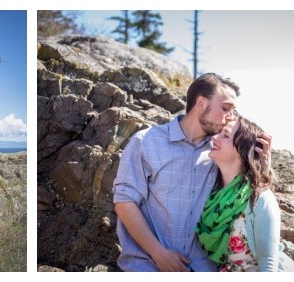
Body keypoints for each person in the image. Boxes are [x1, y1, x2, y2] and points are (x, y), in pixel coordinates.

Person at [112, 73, 270, 272]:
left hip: (203, 268)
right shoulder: (146, 142)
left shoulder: (218, 152)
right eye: (226, 108)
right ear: (201, 103)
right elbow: (124, 202)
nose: (230, 116)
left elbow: (246, 191)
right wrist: (158, 253)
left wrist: (263, 165)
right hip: (148, 265)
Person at [196, 117, 294, 272]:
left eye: (225, 135)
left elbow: (268, 263)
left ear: (242, 150)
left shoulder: (260, 199)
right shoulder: (211, 194)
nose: (214, 137)